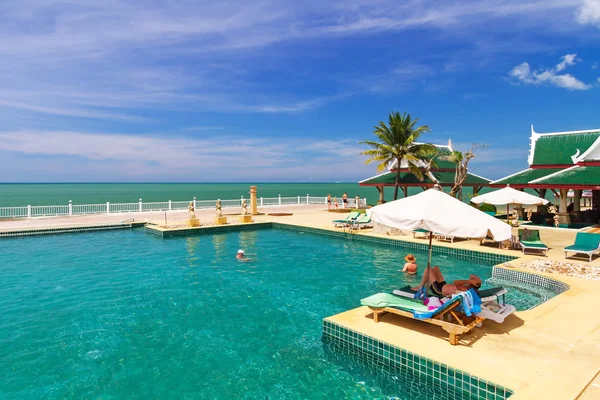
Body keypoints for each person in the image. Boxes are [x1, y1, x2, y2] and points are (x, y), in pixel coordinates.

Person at [411, 265, 481, 297]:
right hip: (443, 285)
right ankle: (427, 284)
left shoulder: (466, 290)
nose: (470, 279)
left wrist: (469, 281)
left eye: (471, 280)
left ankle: (420, 287)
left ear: (472, 284)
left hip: (439, 290)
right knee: (436, 267)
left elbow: (455, 282)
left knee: (428, 269)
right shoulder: (471, 288)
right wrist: (474, 281)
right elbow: (472, 275)